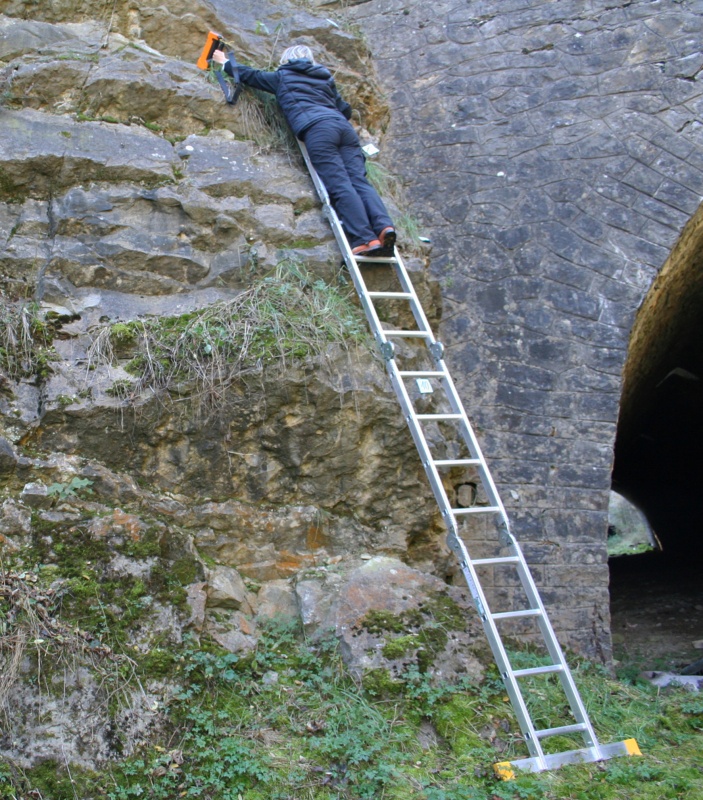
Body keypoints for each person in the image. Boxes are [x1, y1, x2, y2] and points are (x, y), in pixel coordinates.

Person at [212, 44, 396, 257]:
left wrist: (224, 62)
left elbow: (251, 76)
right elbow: (344, 108)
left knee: (339, 183)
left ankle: (365, 239)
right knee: (359, 181)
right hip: (345, 130)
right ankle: (384, 227)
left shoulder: (283, 77)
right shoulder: (325, 78)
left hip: (318, 130)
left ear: (286, 61)